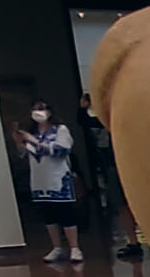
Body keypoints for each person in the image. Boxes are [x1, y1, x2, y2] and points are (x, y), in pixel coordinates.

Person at [17, 99, 84, 265]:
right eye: (34, 109)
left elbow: (61, 150)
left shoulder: (60, 130)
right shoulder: (32, 132)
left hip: (58, 178)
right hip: (40, 180)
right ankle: (56, 247)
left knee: (66, 213)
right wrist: (21, 142)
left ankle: (74, 248)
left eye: (41, 108)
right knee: (48, 215)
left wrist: (34, 141)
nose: (37, 112)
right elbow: (25, 154)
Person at [80, 92, 143, 259]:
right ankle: (133, 243)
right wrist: (84, 108)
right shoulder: (104, 120)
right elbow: (86, 122)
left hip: (136, 164)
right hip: (114, 164)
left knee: (143, 205)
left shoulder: (132, 118)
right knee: (121, 205)